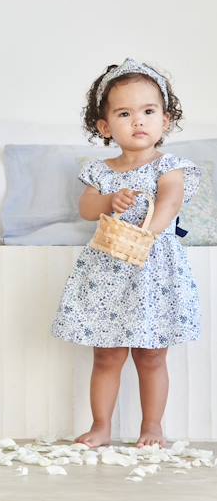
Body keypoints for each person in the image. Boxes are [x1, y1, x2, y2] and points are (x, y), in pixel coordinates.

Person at [52, 58, 201, 448]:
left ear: (165, 121)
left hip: (154, 268)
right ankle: (101, 426)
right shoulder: (101, 171)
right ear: (105, 127)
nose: (138, 121)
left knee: (151, 356)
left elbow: (169, 205)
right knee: (107, 354)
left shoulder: (170, 166)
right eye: (124, 113)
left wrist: (144, 237)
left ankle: (152, 427)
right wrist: (108, 201)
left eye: (148, 111)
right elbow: (85, 209)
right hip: (109, 270)